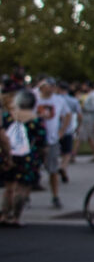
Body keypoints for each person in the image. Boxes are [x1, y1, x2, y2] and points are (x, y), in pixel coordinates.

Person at [2, 89, 49, 227]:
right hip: (27, 156)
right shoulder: (36, 120)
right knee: (21, 188)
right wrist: (42, 158)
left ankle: (5, 214)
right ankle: (16, 217)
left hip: (8, 154)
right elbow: (42, 143)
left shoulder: (7, 117)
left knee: (9, 186)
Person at [35, 78, 72, 209]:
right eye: (48, 86)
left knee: (53, 170)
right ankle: (25, 196)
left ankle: (55, 196)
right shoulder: (35, 97)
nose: (50, 88)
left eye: (52, 86)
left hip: (51, 139)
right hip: (35, 140)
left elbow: (68, 114)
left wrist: (62, 131)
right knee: (31, 169)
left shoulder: (58, 100)